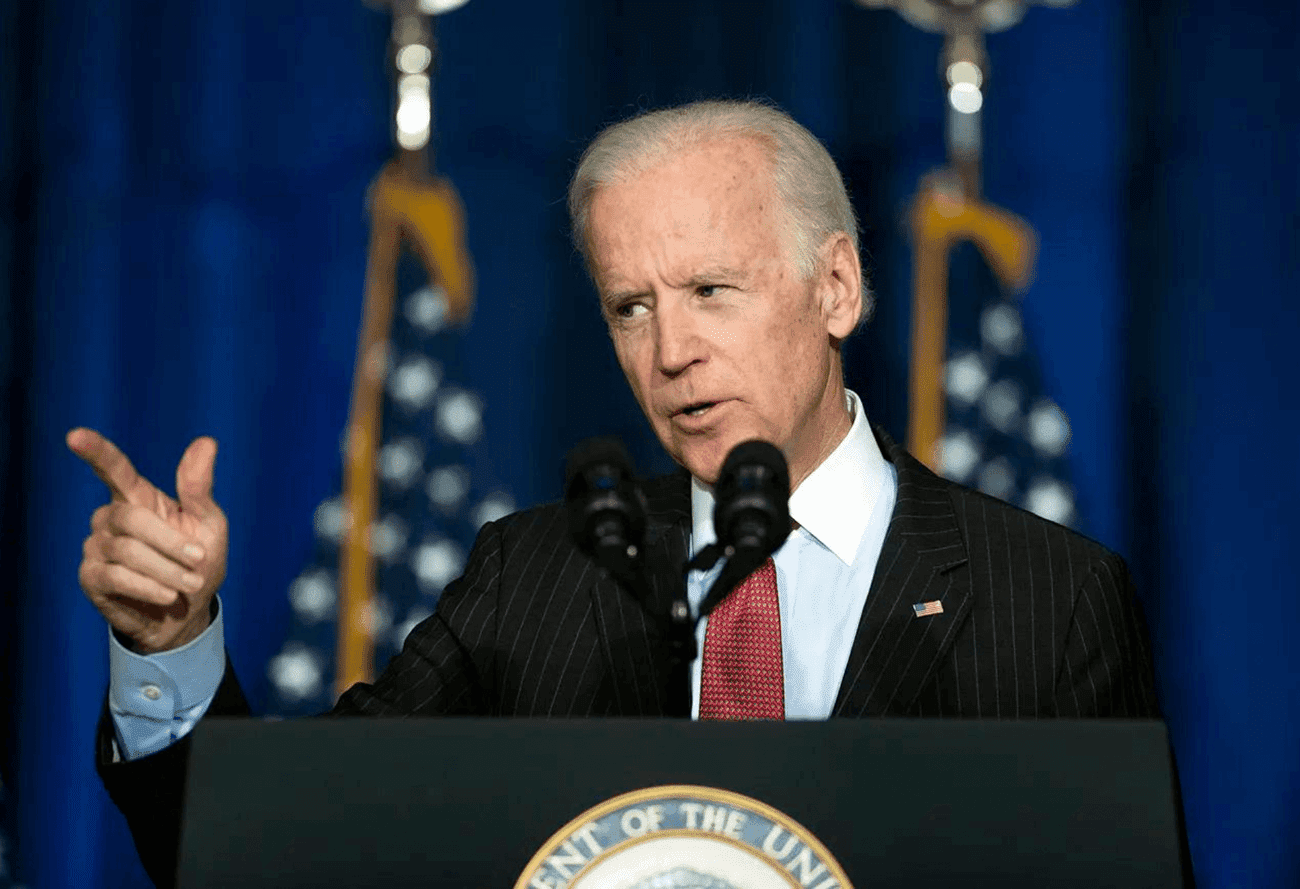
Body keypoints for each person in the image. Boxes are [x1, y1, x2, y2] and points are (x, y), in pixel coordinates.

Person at [69, 99, 1158, 885]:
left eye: (709, 291)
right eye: (629, 307)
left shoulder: (1048, 596)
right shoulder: (533, 573)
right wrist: (171, 640)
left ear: (834, 287)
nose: (669, 350)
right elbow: (270, 849)